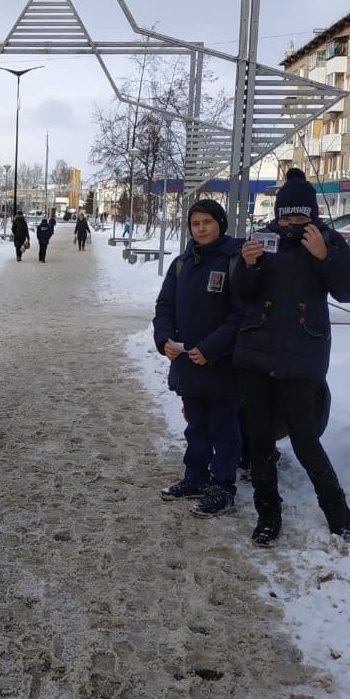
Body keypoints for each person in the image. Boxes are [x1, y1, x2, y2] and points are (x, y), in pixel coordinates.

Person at [232, 168, 350, 547]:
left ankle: (338, 514)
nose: (291, 223)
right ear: (276, 214)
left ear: (313, 214)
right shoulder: (263, 239)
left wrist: (324, 257)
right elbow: (241, 295)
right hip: (256, 355)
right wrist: (248, 265)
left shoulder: (326, 240)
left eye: (299, 216)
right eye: (285, 216)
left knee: (306, 440)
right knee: (259, 441)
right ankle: (268, 515)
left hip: (302, 357)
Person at [153, 199, 244, 518]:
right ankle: (195, 477)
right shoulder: (182, 264)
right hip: (188, 362)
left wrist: (211, 348)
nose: (201, 228)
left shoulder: (235, 260)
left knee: (224, 427)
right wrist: (164, 339)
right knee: (196, 425)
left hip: (222, 364)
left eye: (207, 222)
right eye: (195, 223)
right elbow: (164, 307)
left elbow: (241, 315)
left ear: (220, 223)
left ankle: (222, 486)